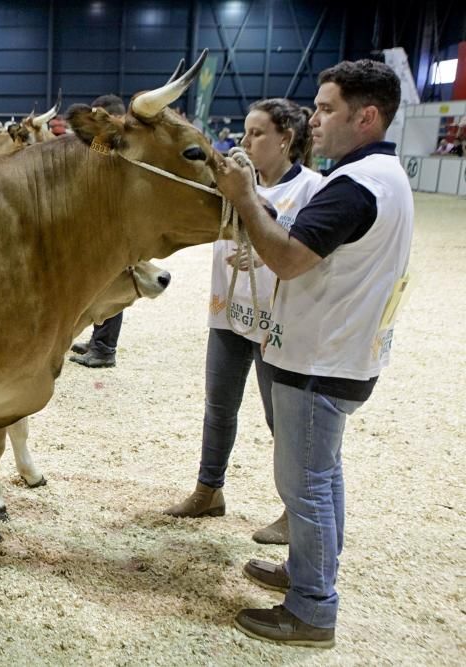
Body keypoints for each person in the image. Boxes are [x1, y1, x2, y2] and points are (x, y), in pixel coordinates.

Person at [214, 60, 412, 648]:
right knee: (322, 478)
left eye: (327, 109)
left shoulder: (357, 186)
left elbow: (290, 257)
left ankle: (311, 610)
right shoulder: (380, 176)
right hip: (343, 354)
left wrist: (247, 199)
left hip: (320, 360)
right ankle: (308, 573)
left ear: (366, 115)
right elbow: (305, 238)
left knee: (305, 485)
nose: (315, 119)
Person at [163, 98, 322, 547]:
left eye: (257, 134)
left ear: (285, 139)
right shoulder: (228, 184)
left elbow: (308, 256)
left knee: (282, 419)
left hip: (278, 320)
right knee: (218, 407)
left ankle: (296, 511)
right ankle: (208, 490)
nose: (245, 142)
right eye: (245, 132)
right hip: (228, 313)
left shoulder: (312, 189)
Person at [69, 94, 130, 368]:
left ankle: (105, 349)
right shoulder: (109, 143)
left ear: (115, 118)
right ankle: (98, 340)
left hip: (115, 224)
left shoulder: (124, 145)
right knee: (98, 284)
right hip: (103, 221)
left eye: (100, 119)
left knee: (111, 283)